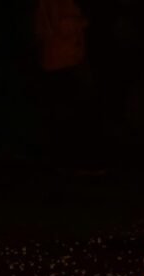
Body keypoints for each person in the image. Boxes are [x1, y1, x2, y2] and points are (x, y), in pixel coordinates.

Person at [34, 0, 94, 170]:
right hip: (61, 61)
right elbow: (60, 28)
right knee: (66, 112)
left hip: (66, 60)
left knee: (67, 112)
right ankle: (66, 158)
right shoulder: (53, 5)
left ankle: (66, 157)